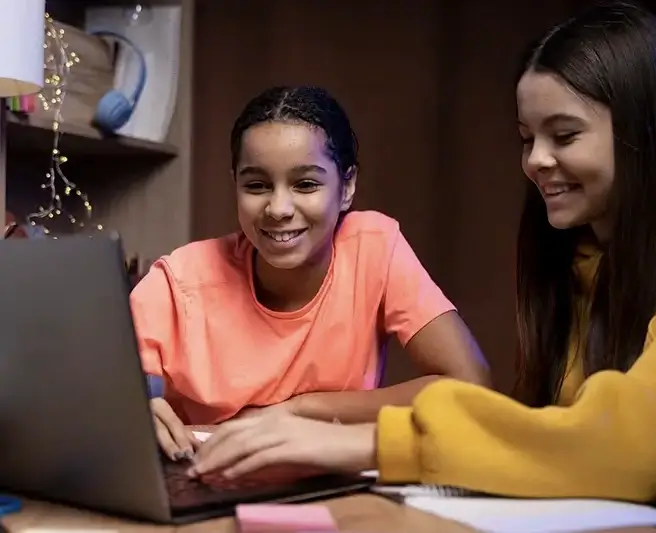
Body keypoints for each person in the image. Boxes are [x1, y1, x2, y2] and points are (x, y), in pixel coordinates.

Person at [188, 2, 656, 526]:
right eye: (526, 138)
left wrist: (347, 440)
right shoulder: (581, 254)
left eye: (563, 136)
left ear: (646, 131)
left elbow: (639, 445)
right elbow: (552, 436)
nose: (536, 161)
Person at [131, 85, 490, 461]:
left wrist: (298, 411)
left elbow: (470, 387)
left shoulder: (373, 246)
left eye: (305, 184)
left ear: (347, 186)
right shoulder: (181, 279)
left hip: (330, 477)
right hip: (207, 476)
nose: (279, 208)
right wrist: (135, 415)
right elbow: (87, 400)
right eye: (256, 185)